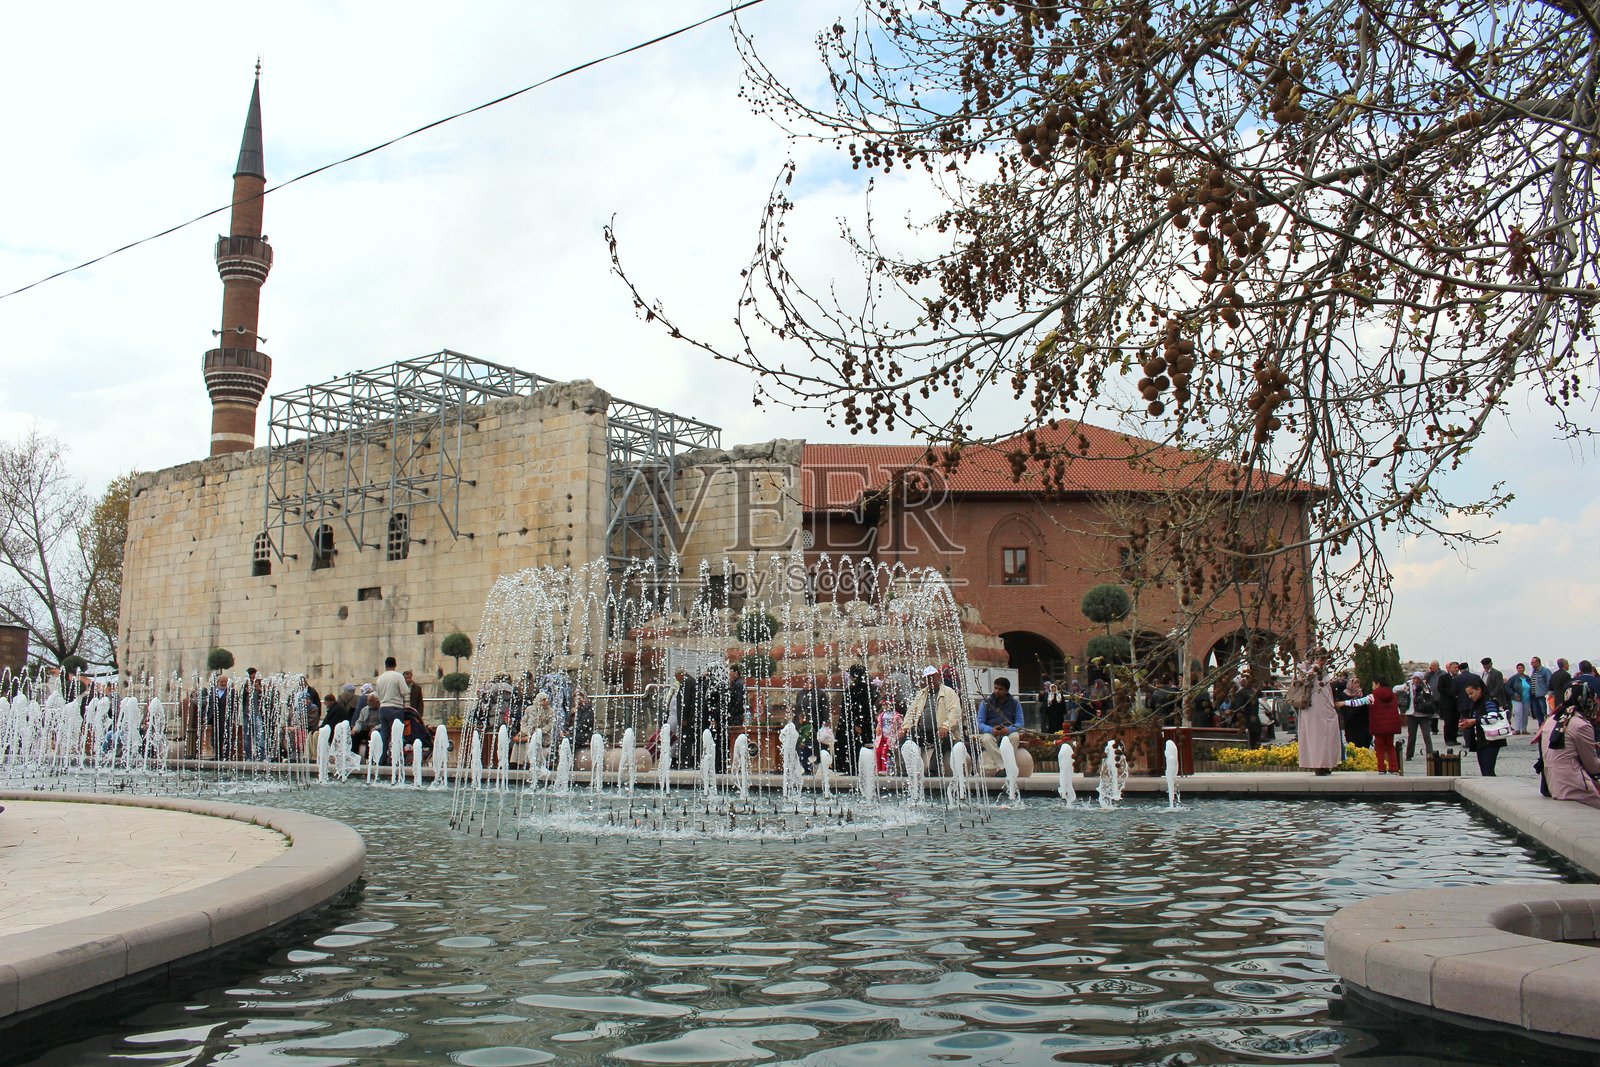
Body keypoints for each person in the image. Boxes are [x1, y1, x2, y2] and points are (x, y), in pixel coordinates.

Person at [1536, 692, 1600, 809]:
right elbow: (1593, 766)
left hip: (1554, 782)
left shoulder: (1552, 719)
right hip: (1574, 784)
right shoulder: (1582, 725)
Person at [908, 665, 963, 775]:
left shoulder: (949, 692)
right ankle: (908, 770)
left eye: (932, 677)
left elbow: (955, 712)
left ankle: (933, 771)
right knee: (906, 738)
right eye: (927, 678)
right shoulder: (921, 694)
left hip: (943, 731)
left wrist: (946, 726)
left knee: (943, 739)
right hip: (924, 732)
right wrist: (905, 727)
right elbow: (911, 712)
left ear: (938, 676)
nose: (930, 680)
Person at [1340, 680, 1402, 773]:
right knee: (1390, 747)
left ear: (1378, 684)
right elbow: (1398, 710)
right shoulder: (1392, 695)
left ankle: (1381, 768)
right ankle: (1394, 768)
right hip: (1391, 727)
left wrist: (1344, 703)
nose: (1372, 686)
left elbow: (1358, 702)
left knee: (1380, 748)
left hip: (1379, 726)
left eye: (1373, 684)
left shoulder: (1373, 696)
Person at [1296, 657, 1342, 776]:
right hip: (1313, 709)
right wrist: (1314, 668)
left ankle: (1327, 764)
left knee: (1329, 735)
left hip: (1326, 708)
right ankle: (1318, 765)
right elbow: (1302, 681)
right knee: (1316, 736)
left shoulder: (1325, 672)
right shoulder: (1304, 668)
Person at [1459, 680, 1509, 776]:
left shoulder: (1488, 702)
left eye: (1471, 693)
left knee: (1488, 770)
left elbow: (1493, 718)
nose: (1470, 696)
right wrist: (1468, 723)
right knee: (1484, 770)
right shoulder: (1477, 703)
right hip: (1481, 741)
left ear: (1479, 690)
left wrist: (1474, 721)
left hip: (1491, 741)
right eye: (1468, 694)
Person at [840, 664, 873, 775]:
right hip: (854, 722)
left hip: (856, 723)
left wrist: (858, 723)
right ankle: (852, 767)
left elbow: (861, 707)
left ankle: (855, 768)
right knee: (853, 744)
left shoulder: (860, 689)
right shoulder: (863, 688)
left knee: (856, 745)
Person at [375, 657, 409, 763]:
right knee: (398, 734)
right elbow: (405, 691)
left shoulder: (380, 678)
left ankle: (381, 758)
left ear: (385, 665)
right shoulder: (398, 676)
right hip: (396, 708)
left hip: (383, 708)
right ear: (395, 665)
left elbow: (378, 694)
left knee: (384, 733)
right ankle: (397, 759)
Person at [1402, 670, 1436, 761]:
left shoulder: (1425, 686)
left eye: (1418, 679)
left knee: (1426, 735)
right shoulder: (1408, 685)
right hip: (1412, 714)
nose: (1416, 681)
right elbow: (1395, 689)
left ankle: (1430, 753)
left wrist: (1424, 687)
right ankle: (1409, 755)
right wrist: (1405, 688)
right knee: (1412, 736)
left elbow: (1429, 697)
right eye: (1414, 678)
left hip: (1423, 714)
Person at [1232, 674, 1263, 749]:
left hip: (1255, 719)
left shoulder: (1252, 691)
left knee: (1256, 737)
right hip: (1246, 719)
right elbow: (1238, 707)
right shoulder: (1241, 693)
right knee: (1250, 738)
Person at [1506, 663, 1533, 734]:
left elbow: (1531, 687)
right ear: (1517, 669)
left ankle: (1524, 729)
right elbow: (1508, 687)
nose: (1520, 669)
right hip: (1517, 699)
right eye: (1519, 668)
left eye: (1521, 668)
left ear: (1524, 669)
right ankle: (1517, 729)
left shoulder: (1527, 678)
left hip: (1527, 699)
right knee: (1518, 713)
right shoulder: (1513, 678)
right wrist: (1514, 694)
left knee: (1525, 714)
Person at [1529, 656, 1553, 726]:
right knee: (1537, 713)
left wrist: (1548, 694)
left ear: (1538, 662)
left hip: (1542, 696)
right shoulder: (1533, 672)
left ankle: (1546, 726)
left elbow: (1549, 682)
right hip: (1534, 696)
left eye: (1533, 662)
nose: (1532, 664)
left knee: (1545, 712)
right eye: (1531, 663)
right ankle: (1541, 727)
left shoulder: (1545, 671)